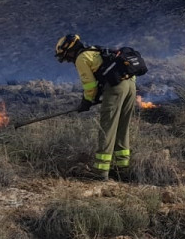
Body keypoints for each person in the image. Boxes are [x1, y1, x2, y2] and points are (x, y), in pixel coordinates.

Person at [55, 34, 136, 181]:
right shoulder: (95, 50)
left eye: (66, 57)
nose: (68, 60)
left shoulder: (81, 58)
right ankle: (122, 169)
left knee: (107, 127)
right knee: (122, 127)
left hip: (116, 88)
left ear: (70, 50)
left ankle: (100, 172)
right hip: (130, 85)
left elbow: (90, 86)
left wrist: (86, 102)